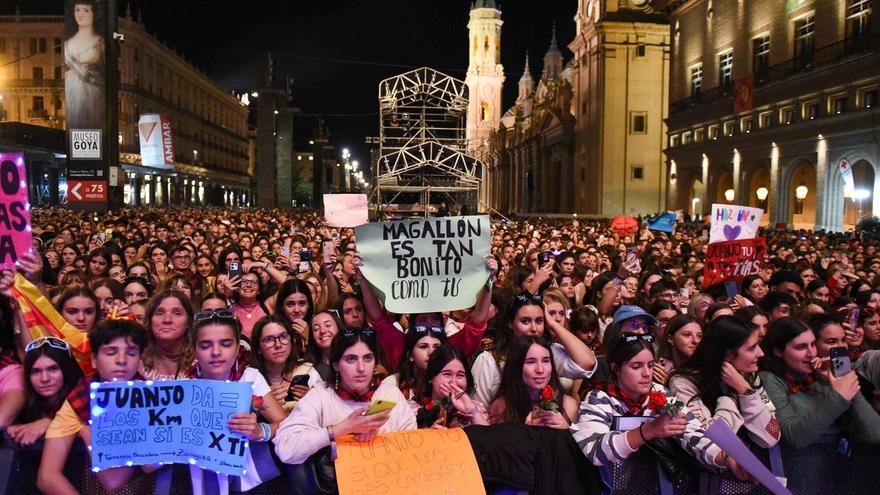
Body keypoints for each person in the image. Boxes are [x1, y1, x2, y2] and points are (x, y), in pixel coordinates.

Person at [571, 332, 746, 475]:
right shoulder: (600, 397)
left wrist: (725, 457)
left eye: (650, 365)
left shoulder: (660, 393)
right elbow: (594, 450)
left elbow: (693, 433)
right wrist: (650, 430)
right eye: (636, 366)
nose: (647, 373)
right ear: (616, 368)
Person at [273, 328, 417, 465]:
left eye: (368, 358)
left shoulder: (390, 394)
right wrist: (341, 429)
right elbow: (286, 449)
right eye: (351, 359)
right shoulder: (320, 395)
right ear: (335, 364)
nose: (361, 368)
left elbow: (412, 449)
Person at [38, 320, 149, 494]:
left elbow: (114, 480)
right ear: (94, 360)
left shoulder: (156, 399)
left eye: (131, 353)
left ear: (140, 359)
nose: (121, 360)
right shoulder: (78, 400)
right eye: (111, 352)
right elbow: (47, 477)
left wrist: (86, 431)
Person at [188, 309, 286, 491]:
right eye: (205, 345)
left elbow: (285, 423)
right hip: (198, 481)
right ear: (194, 349)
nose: (216, 352)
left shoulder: (249, 378)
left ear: (237, 347)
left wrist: (259, 431)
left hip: (247, 481)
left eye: (225, 344)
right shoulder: (183, 385)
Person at [758, 316, 880, 449]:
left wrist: (845, 381)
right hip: (799, 465)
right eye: (801, 347)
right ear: (778, 351)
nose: (811, 353)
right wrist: (839, 397)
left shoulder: (822, 375)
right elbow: (795, 438)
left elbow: (875, 434)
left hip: (839, 464)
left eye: (812, 344)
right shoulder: (770, 379)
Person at [668, 316, 780, 449]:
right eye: (752, 348)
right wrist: (732, 396)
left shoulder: (748, 375)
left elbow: (772, 436)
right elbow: (711, 442)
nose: (761, 353)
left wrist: (746, 392)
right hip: (710, 468)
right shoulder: (683, 382)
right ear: (727, 354)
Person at [471, 293, 596, 408]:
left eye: (539, 321)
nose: (534, 329)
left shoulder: (548, 353)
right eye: (525, 321)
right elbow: (477, 411)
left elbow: (587, 362)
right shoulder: (489, 360)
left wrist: (553, 324)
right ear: (510, 323)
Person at [7, 337, 84, 446]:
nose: (44, 379)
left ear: (66, 370)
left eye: (53, 369)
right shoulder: (24, 405)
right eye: (36, 371)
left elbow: (96, 434)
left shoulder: (83, 396)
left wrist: (50, 424)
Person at [488, 336, 578, 428]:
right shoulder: (502, 408)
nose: (540, 369)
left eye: (546, 361)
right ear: (516, 367)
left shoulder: (568, 405)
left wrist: (567, 430)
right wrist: (524, 429)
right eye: (531, 362)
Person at [250, 316, 317, 413]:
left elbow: (329, 415)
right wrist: (260, 408)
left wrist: (314, 400)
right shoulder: (249, 378)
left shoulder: (308, 371)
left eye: (283, 336)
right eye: (269, 339)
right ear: (258, 348)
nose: (278, 345)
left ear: (291, 341)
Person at [415, 344, 489, 428]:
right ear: (431, 377)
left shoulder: (477, 409)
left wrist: (472, 412)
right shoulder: (411, 411)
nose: (454, 382)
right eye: (447, 374)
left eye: (460, 375)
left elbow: (491, 440)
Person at [64, 0, 105, 130]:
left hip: (94, 88)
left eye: (86, 10)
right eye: (77, 10)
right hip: (73, 88)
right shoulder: (68, 44)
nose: (81, 15)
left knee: (94, 120)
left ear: (94, 13)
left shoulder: (100, 42)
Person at [139, 290, 195, 380]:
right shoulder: (134, 365)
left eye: (177, 313)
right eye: (160, 313)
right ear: (149, 321)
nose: (167, 320)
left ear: (188, 322)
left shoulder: (202, 367)